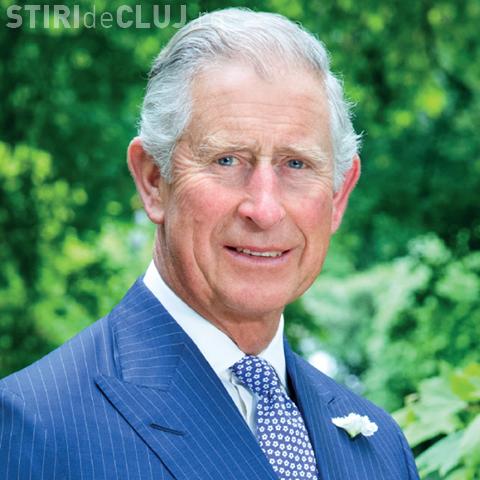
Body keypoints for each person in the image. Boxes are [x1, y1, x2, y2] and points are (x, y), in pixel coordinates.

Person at [0, 8, 419, 480]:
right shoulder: (32, 425)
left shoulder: (382, 449)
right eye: (227, 160)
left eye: (296, 164)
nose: (264, 209)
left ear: (339, 195)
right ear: (153, 180)